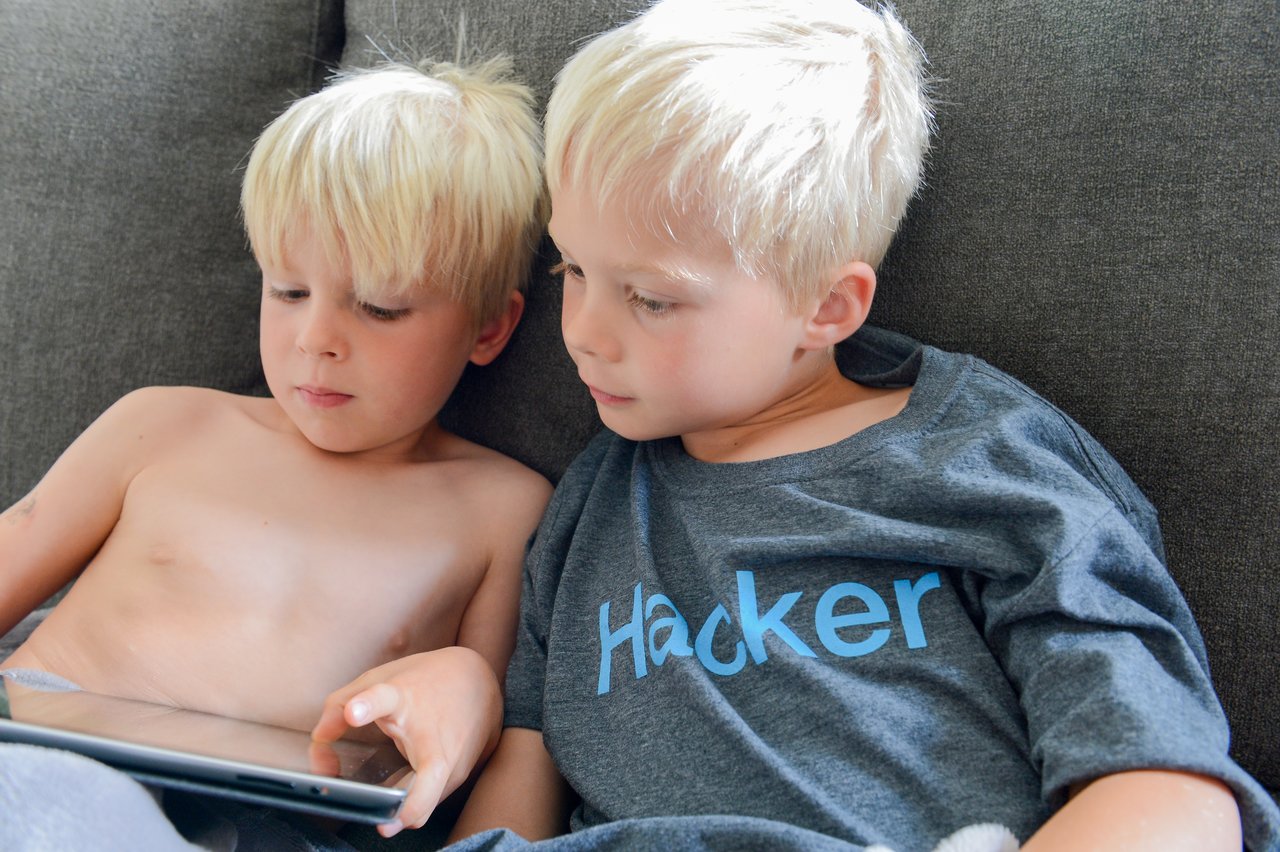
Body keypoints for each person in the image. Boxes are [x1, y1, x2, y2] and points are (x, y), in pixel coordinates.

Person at [323, 1, 1280, 850]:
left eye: (651, 300)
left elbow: (1172, 792)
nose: (584, 334)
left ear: (826, 308)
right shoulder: (591, 506)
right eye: (571, 269)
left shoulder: (990, 466)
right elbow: (522, 784)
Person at [0, 55, 550, 838]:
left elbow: (510, 718)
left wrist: (465, 686)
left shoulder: (502, 508)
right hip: (43, 758)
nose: (316, 341)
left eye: (380, 308)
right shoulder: (165, 424)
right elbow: (14, 541)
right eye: (288, 292)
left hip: (286, 822)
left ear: (489, 327)